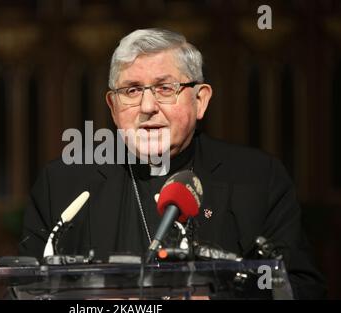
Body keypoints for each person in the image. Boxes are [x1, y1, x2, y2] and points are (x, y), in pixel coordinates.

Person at [19, 28, 326, 299]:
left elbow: (302, 288)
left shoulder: (258, 178)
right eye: (132, 90)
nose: (148, 107)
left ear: (200, 100)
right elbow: (21, 290)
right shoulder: (62, 182)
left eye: (165, 88)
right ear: (113, 107)